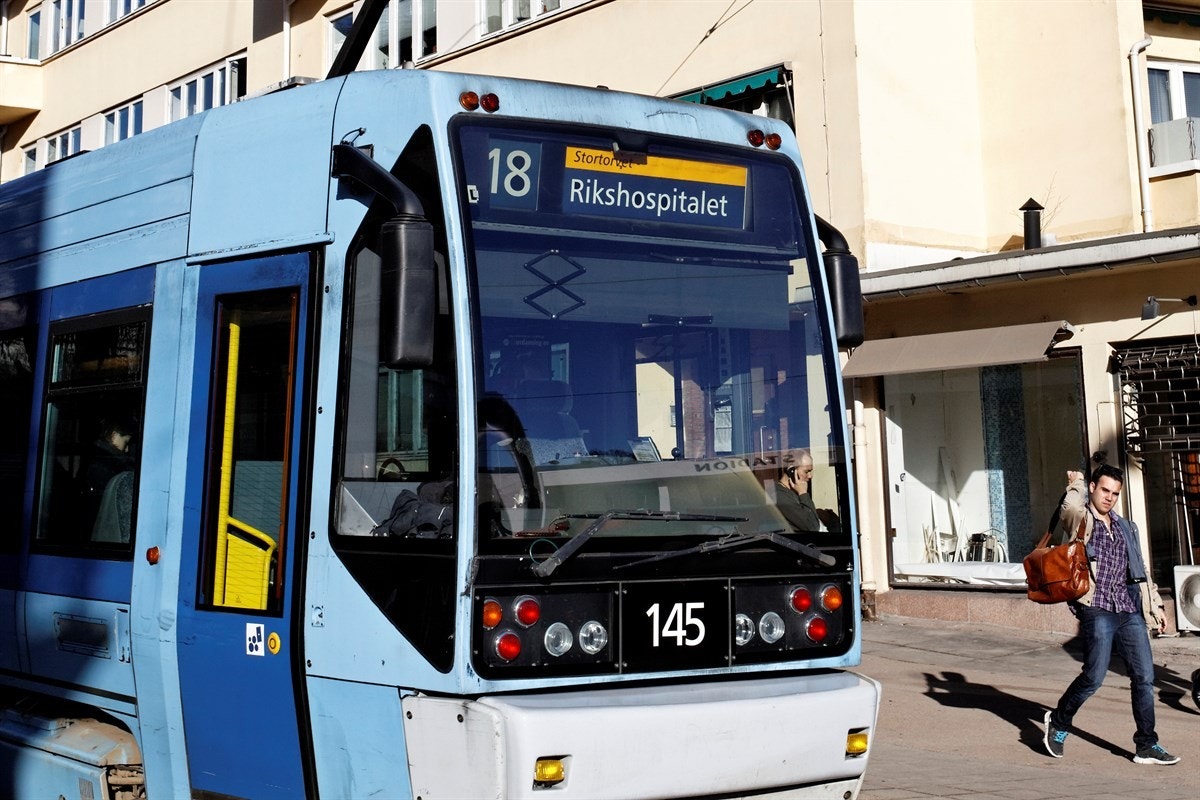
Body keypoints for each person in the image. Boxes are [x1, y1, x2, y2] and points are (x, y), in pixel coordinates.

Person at [1042, 465, 1180, 766]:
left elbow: (1140, 570)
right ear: (1093, 487)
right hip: (1097, 608)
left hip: (1128, 608)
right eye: (1104, 490)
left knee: (1144, 677)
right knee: (1093, 676)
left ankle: (1146, 744)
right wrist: (1076, 482)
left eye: (1115, 493)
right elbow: (1069, 505)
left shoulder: (1126, 527)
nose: (1110, 498)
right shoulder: (1082, 521)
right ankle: (1059, 721)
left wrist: (1155, 605)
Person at [774, 451, 821, 532]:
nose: (810, 476)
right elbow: (813, 527)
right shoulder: (780, 496)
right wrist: (803, 494)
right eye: (806, 471)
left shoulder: (793, 492)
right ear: (791, 470)